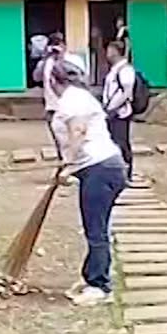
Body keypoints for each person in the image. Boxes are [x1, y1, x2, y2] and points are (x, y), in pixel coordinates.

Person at [47, 58, 127, 306]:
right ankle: (92, 275)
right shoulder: (78, 96)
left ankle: (100, 286)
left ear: (52, 80)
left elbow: (78, 131)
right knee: (97, 226)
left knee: (96, 229)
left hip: (99, 168)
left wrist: (67, 165)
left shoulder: (73, 100)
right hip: (104, 167)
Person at [100, 39, 140, 183]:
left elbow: (126, 92)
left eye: (109, 50)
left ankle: (126, 173)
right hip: (111, 111)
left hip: (120, 112)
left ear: (116, 51)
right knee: (112, 142)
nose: (107, 53)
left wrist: (113, 108)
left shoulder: (126, 70)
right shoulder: (115, 69)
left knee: (121, 142)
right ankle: (116, 172)